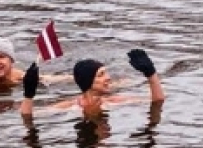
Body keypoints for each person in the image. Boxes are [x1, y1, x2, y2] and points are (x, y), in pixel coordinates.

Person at [32, 50, 166, 117]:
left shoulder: (112, 101)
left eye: (106, 73)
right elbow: (29, 115)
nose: (108, 78)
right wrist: (28, 93)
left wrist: (151, 75)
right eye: (101, 75)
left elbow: (157, 102)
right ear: (88, 80)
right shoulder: (71, 106)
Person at [0, 37, 70, 90]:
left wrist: (77, 77)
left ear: (11, 61)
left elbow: (49, 79)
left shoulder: (21, 77)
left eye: (2, 57)